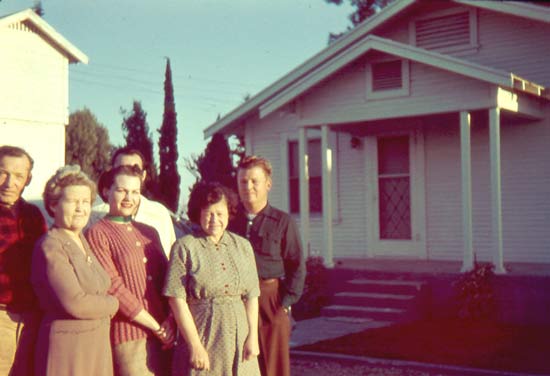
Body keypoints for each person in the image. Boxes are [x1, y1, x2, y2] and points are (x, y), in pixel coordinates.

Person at [86, 165, 175, 376]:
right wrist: (155, 326)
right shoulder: (97, 233)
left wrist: (171, 320)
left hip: (166, 334)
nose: (129, 198)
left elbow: (170, 278)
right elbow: (114, 288)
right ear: (107, 191)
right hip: (129, 336)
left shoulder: (149, 232)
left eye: (135, 192)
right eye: (122, 190)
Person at [164, 181, 260, 375]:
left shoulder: (243, 246)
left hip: (239, 336)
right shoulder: (185, 247)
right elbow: (176, 300)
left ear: (229, 213)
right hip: (204, 335)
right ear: (198, 213)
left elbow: (252, 296)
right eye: (209, 213)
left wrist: (253, 337)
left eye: (220, 213)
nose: (215, 219)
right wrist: (195, 345)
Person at [31, 165, 119, 376]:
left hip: (95, 344)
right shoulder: (51, 245)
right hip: (69, 348)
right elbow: (75, 303)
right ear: (53, 205)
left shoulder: (81, 239)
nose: (81, 208)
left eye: (86, 202)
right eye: (72, 202)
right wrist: (113, 303)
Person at [228, 155, 306, 376]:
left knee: (273, 367)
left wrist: (285, 304)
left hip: (270, 300)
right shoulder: (230, 222)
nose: (248, 187)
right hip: (236, 300)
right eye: (243, 181)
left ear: (268, 184)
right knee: (240, 363)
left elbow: (296, 265)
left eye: (254, 181)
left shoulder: (283, 222)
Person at [0, 145, 47, 376]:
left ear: (28, 179)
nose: (9, 183)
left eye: (18, 176)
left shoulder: (34, 216)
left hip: (30, 319)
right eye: (2, 173)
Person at [89, 147, 177, 258]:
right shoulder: (94, 214)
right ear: (111, 173)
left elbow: (172, 258)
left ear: (143, 176)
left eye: (135, 169)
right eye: (122, 169)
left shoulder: (159, 213)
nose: (128, 174)